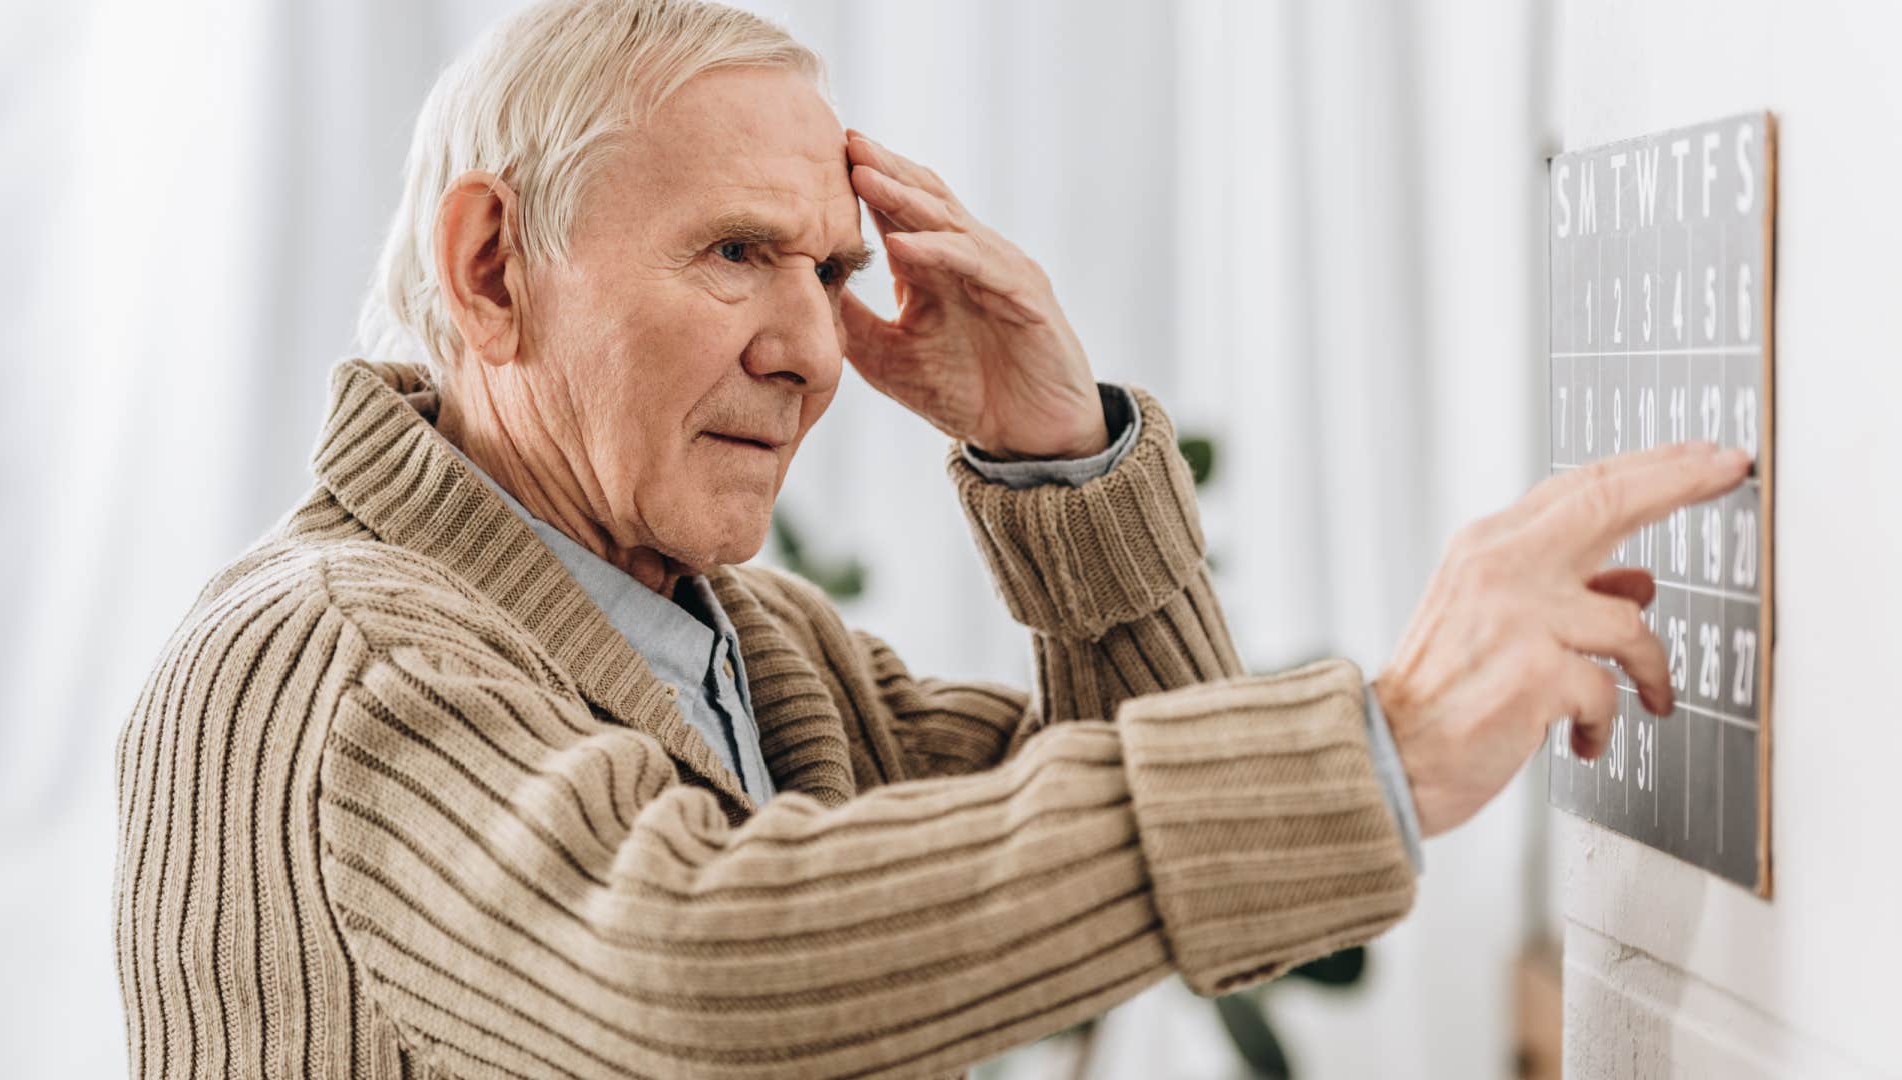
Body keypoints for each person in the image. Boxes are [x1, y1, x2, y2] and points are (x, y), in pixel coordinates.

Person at [110, 1, 1752, 1076]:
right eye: (739, 252)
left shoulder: (757, 649)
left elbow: (1240, 892)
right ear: (490, 269)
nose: (818, 350)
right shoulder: (323, 653)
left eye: (830, 272)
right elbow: (690, 975)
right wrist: (1381, 744)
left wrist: (1060, 465)